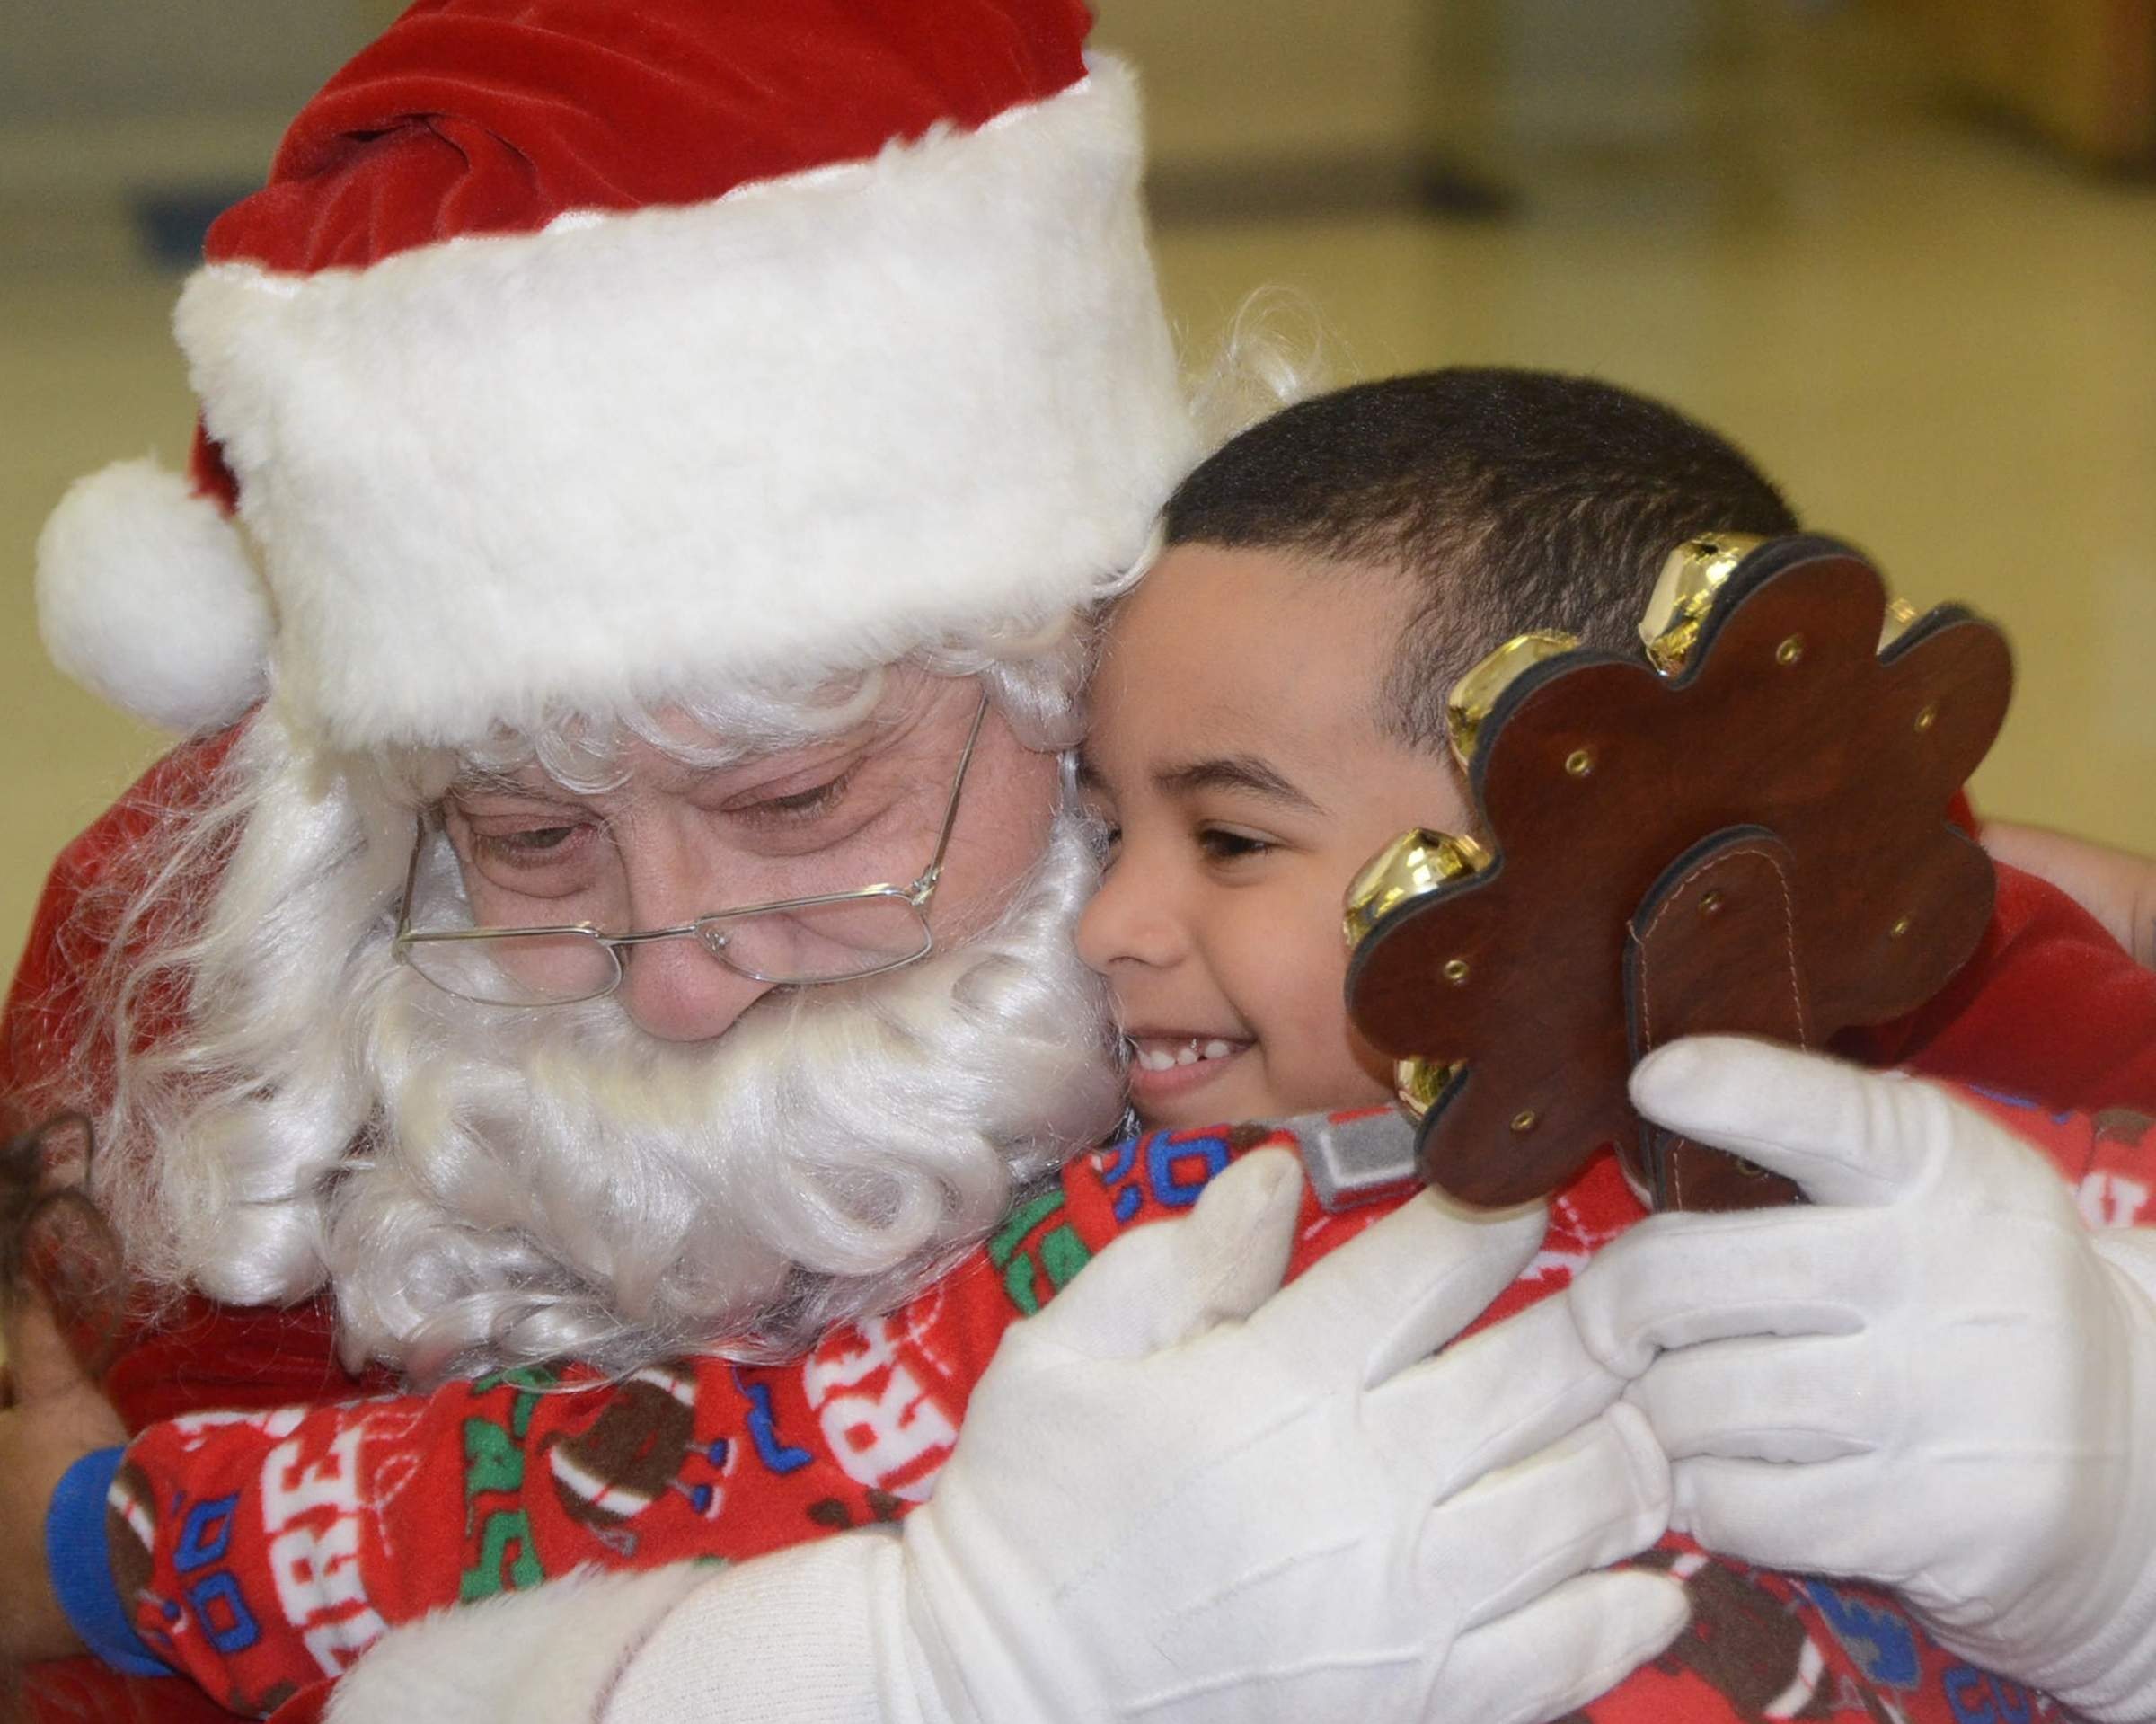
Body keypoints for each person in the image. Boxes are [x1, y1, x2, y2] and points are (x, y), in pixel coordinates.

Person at [0, 11, 1683, 1724]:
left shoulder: (1368, 853)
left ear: (1084, 663)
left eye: (798, 803)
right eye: (529, 837)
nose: (672, 972)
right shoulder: (193, 1024)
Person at [29, 368, 2156, 1723]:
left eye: (1218, 838)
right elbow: (563, 1494)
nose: (1122, 918)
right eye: (526, 838)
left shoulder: (1936, 1131)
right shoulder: (1159, 1245)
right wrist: (105, 1543)